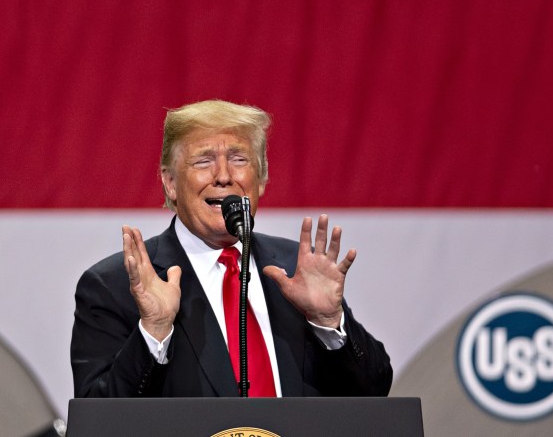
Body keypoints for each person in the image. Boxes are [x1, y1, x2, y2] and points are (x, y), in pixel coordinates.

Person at [71, 99, 392, 397]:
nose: (223, 176)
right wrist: (153, 332)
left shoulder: (298, 269)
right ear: (170, 182)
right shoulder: (115, 286)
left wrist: (328, 321)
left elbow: (375, 392)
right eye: (203, 160)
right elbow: (97, 420)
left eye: (239, 159)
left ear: (261, 179)